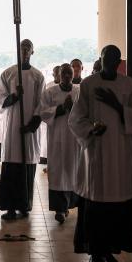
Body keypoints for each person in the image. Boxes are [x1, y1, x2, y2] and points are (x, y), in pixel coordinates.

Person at [68, 45, 132, 262]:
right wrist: (91, 129)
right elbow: (75, 118)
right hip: (97, 154)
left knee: (116, 209)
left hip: (120, 154)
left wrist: (116, 105)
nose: (108, 64)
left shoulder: (128, 85)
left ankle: (108, 251)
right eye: (105, 59)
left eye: (113, 60)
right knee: (96, 207)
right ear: (100, 59)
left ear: (118, 61)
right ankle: (94, 253)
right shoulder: (89, 84)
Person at [0, 39, 45, 220]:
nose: (24, 51)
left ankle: (24, 205)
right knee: (11, 165)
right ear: (17, 50)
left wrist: (32, 125)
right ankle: (10, 207)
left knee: (27, 165)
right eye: (22, 48)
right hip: (13, 126)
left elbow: (41, 102)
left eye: (28, 48)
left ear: (32, 51)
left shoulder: (38, 76)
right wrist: (13, 97)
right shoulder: (8, 73)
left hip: (28, 129)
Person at [40, 63, 80, 223]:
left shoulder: (79, 91)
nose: (67, 76)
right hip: (57, 137)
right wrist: (60, 109)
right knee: (58, 172)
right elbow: (42, 112)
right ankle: (59, 208)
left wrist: (73, 108)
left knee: (72, 170)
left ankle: (69, 205)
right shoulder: (50, 92)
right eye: (64, 73)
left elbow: (85, 111)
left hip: (74, 138)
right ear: (58, 75)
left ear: (73, 74)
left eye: (69, 73)